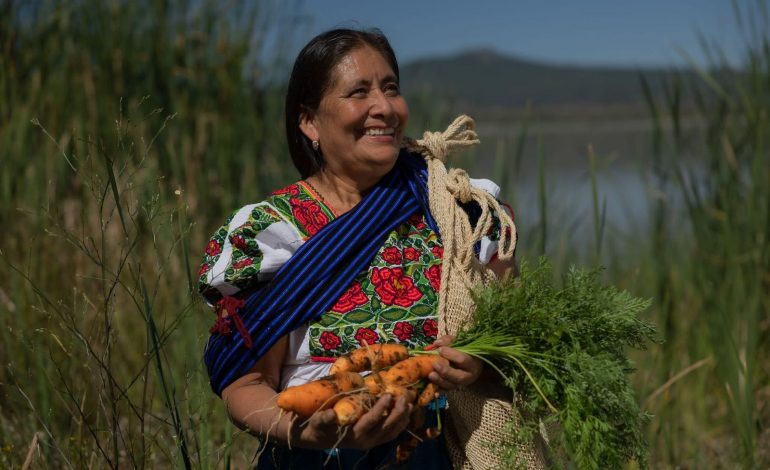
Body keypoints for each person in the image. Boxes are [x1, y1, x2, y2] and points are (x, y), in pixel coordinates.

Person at [197, 28, 516, 469]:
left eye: (390, 88)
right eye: (358, 92)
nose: (383, 107)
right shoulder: (274, 233)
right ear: (309, 121)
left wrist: (479, 361)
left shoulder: (461, 213)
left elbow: (517, 337)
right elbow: (244, 384)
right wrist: (305, 431)